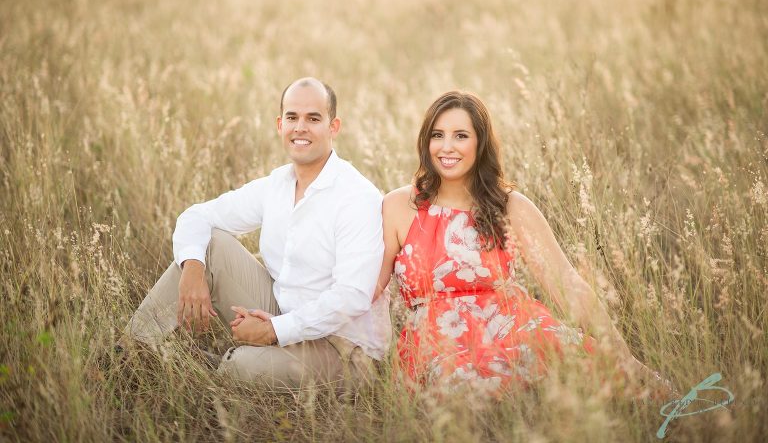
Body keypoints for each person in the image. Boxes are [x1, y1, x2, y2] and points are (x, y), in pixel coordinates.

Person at [373, 90, 672, 396]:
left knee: (602, 370)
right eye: (438, 135)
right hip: (437, 347)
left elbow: (566, 283)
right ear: (426, 141)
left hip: (516, 332)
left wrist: (626, 357)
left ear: (480, 143)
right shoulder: (400, 206)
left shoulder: (511, 207)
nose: (447, 147)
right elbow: (370, 285)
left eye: (460, 136)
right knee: (467, 389)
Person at [122, 77, 391, 390]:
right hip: (283, 311)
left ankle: (207, 365)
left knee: (242, 367)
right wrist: (192, 270)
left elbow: (351, 297)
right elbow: (198, 216)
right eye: (292, 117)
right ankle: (128, 353)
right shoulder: (277, 184)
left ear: (334, 127)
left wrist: (274, 330)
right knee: (210, 245)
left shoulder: (356, 196)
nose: (300, 127)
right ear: (280, 125)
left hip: (342, 347)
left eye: (313, 118)